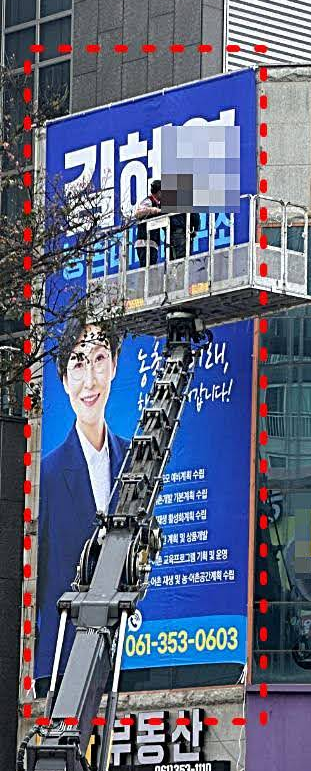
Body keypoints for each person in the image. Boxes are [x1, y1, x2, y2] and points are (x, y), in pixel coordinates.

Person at [36, 323, 129, 686]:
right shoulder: (46, 477)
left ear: (114, 365)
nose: (90, 381)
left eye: (99, 359)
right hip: (62, 667)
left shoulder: (137, 463)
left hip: (129, 661)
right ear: (63, 379)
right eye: (77, 363)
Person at [133, 179, 163, 266]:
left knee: (152, 269)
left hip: (152, 243)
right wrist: (153, 210)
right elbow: (138, 213)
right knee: (146, 269)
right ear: (159, 192)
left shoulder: (158, 204)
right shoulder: (148, 201)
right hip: (144, 243)